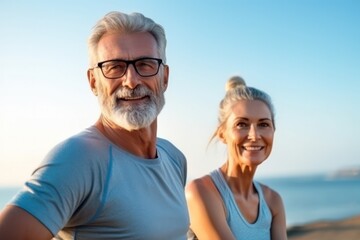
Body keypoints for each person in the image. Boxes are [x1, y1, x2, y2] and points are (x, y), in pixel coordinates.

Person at [0, 11, 189, 240]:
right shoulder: (78, 158)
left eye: (145, 64)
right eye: (114, 67)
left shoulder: (174, 158)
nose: (131, 81)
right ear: (93, 82)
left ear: (165, 77)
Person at [186, 76, 287, 240]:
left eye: (263, 124)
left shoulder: (273, 202)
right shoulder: (201, 192)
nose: (254, 136)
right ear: (222, 134)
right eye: (242, 124)